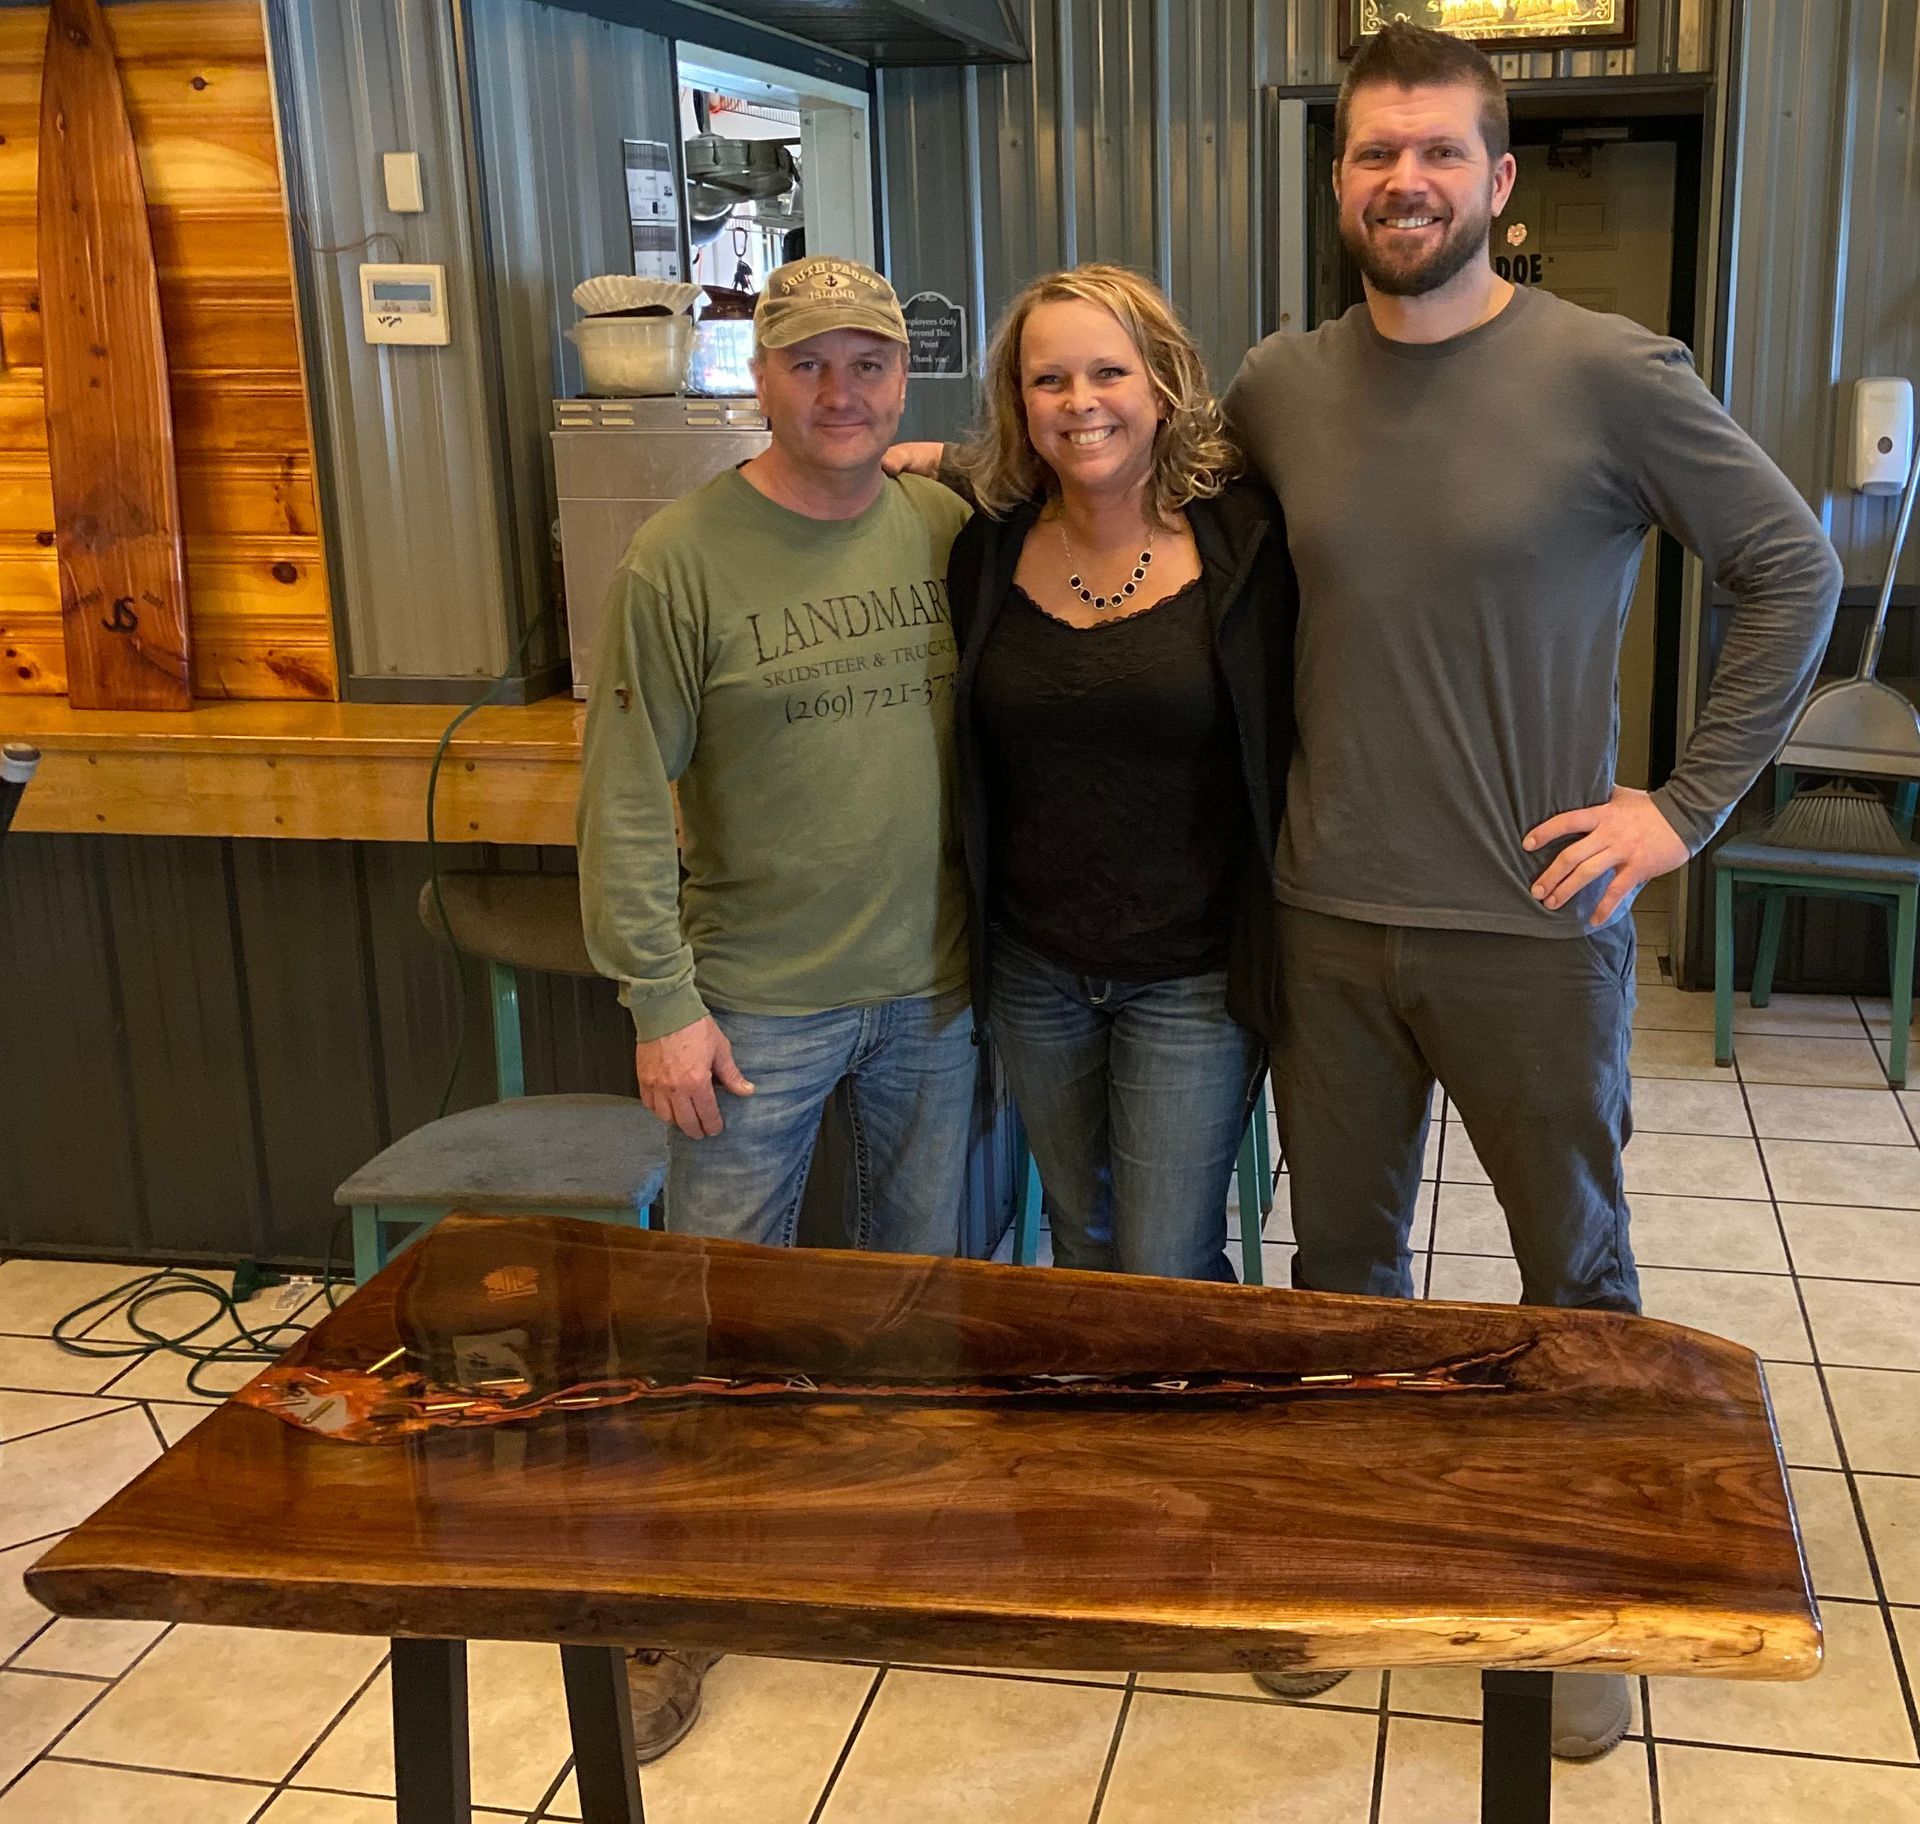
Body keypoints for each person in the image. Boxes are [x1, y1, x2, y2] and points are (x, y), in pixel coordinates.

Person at [1219, 23, 1842, 1756]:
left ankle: (1584, 1594)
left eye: (1437, 152)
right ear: (1337, 178)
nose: (1402, 179)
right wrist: (921, 482)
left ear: (1497, 181)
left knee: (1575, 1278)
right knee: (1342, 1270)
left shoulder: (1616, 372)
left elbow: (1793, 565)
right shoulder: (1280, 384)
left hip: (1532, 925)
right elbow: (1123, 485)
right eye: (1371, 153)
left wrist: (1686, 804)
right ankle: (1351, 1555)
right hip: (1329, 913)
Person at [575, 253, 975, 1761]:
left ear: (901, 381)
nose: (842, 392)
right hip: (754, 1015)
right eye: (811, 364)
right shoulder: (678, 557)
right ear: (762, 376)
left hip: (933, 995)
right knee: (714, 1327)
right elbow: (619, 798)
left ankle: (875, 1551)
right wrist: (659, 999)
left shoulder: (940, 526)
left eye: (870, 364)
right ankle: (678, 1609)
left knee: (910, 1303)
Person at [940, 264, 1295, 1281]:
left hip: (1191, 975)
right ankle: (1100, 1437)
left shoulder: (1248, 544)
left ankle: (1187, 1434)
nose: (1080, 403)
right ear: (1019, 403)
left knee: (1164, 1256)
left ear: (1163, 385)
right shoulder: (985, 549)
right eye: (1049, 381)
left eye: (1108, 372)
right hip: (1035, 966)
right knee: (1081, 1232)